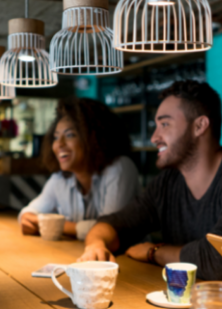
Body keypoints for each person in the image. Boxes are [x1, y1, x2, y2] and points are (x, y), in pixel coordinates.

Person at [80, 81, 222, 280]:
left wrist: (154, 252)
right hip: (197, 306)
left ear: (200, 126)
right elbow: (115, 224)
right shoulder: (167, 183)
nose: (154, 137)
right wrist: (95, 244)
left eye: (164, 124)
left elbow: (221, 261)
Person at [19, 97, 140, 241]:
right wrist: (30, 219)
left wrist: (55, 225)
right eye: (56, 137)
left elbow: (110, 230)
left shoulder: (120, 168)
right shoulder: (60, 178)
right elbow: (28, 213)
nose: (59, 144)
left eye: (70, 135)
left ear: (95, 138)